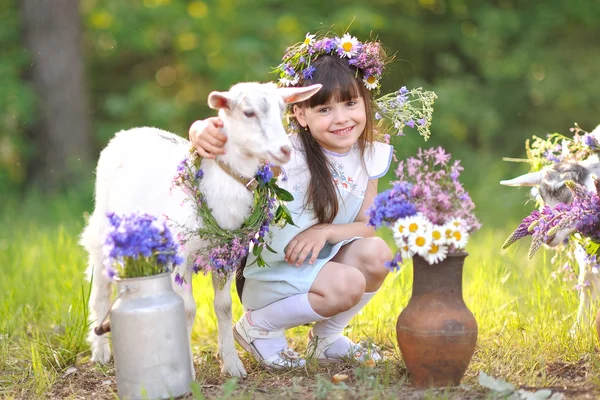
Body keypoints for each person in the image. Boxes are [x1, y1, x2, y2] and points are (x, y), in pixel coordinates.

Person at [189, 33, 394, 368]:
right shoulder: (286, 154)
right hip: (275, 273)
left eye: (350, 104)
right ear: (300, 114)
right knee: (349, 282)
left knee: (378, 254)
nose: (341, 118)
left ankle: (327, 338)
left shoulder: (370, 155)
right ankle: (258, 328)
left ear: (366, 102)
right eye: (325, 108)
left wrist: (324, 232)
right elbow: (231, 132)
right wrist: (199, 130)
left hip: (323, 263)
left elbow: (369, 225)